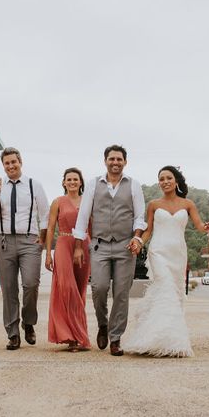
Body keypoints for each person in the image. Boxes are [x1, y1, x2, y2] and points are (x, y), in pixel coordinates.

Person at [123, 166, 209, 357]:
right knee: (166, 288)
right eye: (161, 179)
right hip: (158, 252)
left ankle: (167, 338)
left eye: (168, 178)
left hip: (178, 253)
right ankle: (162, 339)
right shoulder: (154, 204)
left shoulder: (188, 204)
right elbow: (148, 230)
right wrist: (138, 242)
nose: (165, 181)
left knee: (176, 293)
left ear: (176, 181)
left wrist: (208, 227)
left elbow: (200, 226)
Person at [73, 145, 147, 356]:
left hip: (125, 245)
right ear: (105, 161)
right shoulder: (93, 184)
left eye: (119, 159)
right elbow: (83, 215)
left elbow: (139, 216)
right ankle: (103, 324)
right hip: (100, 245)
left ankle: (115, 338)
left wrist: (136, 237)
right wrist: (79, 246)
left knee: (121, 293)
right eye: (112, 159)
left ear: (125, 162)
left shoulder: (134, 185)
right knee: (99, 288)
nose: (115, 162)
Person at [0, 147, 49, 350]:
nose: (11, 166)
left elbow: (45, 214)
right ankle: (12, 333)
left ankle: (28, 322)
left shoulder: (34, 185)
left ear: (20, 162)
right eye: (7, 163)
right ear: (3, 165)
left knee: (31, 284)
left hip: (29, 241)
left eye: (14, 162)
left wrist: (42, 239)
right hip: (4, 240)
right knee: (8, 289)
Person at [45, 168, 91, 351]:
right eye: (69, 179)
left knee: (80, 290)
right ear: (63, 182)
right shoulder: (58, 202)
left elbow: (93, 227)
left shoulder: (87, 201)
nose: (72, 182)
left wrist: (95, 251)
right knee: (66, 288)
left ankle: (79, 335)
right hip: (63, 244)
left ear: (81, 182)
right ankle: (71, 336)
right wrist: (48, 253)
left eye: (75, 179)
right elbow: (50, 229)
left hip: (84, 245)